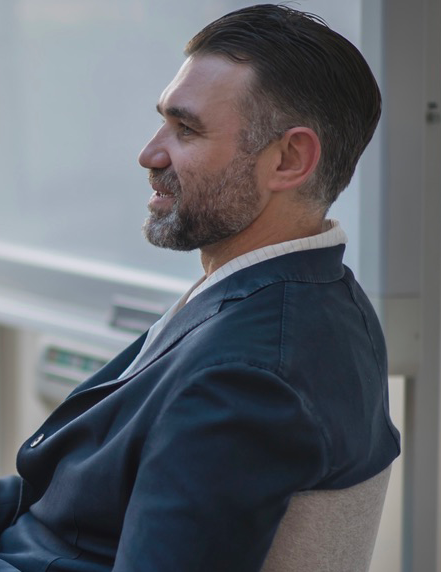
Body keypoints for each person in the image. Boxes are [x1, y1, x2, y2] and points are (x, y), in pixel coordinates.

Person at [0, 4, 400, 571]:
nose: (149, 154)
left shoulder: (247, 374)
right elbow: (59, 499)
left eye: (186, 129)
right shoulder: (298, 294)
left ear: (289, 160)